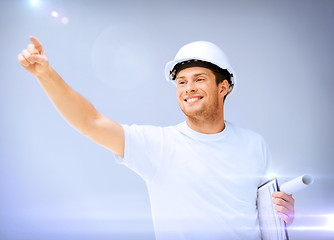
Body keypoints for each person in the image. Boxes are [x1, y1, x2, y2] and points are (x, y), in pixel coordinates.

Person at [18, 37, 295, 240]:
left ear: (223, 87)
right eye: (182, 82)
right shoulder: (159, 145)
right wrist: (46, 74)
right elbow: (91, 121)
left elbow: (268, 219)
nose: (188, 89)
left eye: (199, 79)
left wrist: (285, 216)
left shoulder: (254, 144)